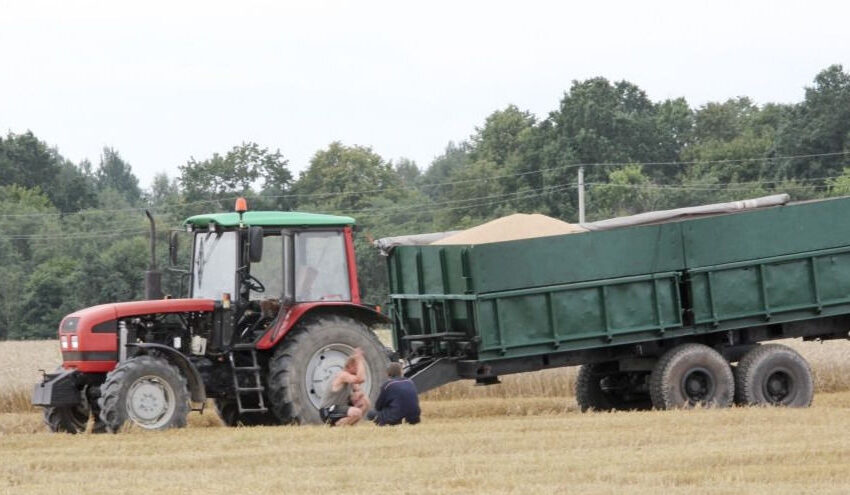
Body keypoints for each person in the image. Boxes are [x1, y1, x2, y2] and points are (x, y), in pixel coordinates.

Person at [319, 348, 368, 426]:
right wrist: (359, 360)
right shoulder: (342, 375)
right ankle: (337, 429)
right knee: (357, 413)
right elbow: (360, 379)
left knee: (365, 402)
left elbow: (359, 392)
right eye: (357, 367)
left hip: (339, 408)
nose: (358, 370)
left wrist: (358, 395)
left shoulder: (350, 380)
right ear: (351, 366)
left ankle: (347, 426)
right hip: (328, 411)